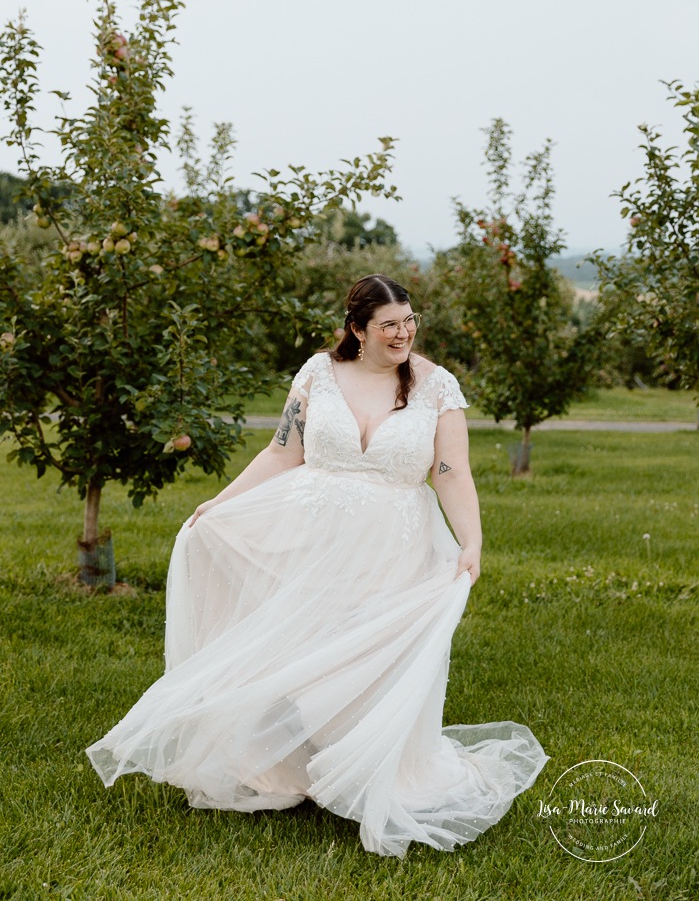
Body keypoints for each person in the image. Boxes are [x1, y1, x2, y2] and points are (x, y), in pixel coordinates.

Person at [86, 273, 548, 857]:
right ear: (357, 330)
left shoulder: (437, 387)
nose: (403, 333)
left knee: (367, 657)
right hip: (312, 531)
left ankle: (371, 768)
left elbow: (451, 470)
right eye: (389, 325)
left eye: (410, 321)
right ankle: (293, 766)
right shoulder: (319, 373)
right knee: (303, 648)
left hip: (393, 540)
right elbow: (284, 450)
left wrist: (471, 541)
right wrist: (220, 503)